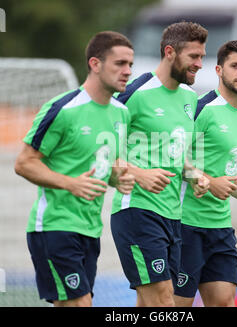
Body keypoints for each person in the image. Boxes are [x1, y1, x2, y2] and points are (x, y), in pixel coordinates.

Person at [14, 31, 135, 307]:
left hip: (90, 230)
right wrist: (70, 183)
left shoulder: (121, 113)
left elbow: (107, 163)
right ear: (95, 64)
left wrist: (119, 178)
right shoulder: (63, 109)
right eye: (119, 63)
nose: (127, 71)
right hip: (55, 226)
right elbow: (24, 163)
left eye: (130, 64)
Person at [110, 21, 210, 307]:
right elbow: (102, 150)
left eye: (202, 56)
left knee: (150, 302)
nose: (200, 64)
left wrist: (194, 175)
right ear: (170, 52)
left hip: (173, 217)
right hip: (137, 211)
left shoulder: (191, 98)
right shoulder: (134, 93)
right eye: (194, 56)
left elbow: (178, 155)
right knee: (165, 301)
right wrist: (139, 174)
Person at [174, 40, 237, 307]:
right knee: (177, 307)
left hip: (220, 229)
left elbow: (225, 174)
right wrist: (206, 182)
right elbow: (171, 157)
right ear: (219, 70)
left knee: (224, 302)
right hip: (186, 225)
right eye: (235, 66)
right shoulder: (201, 109)